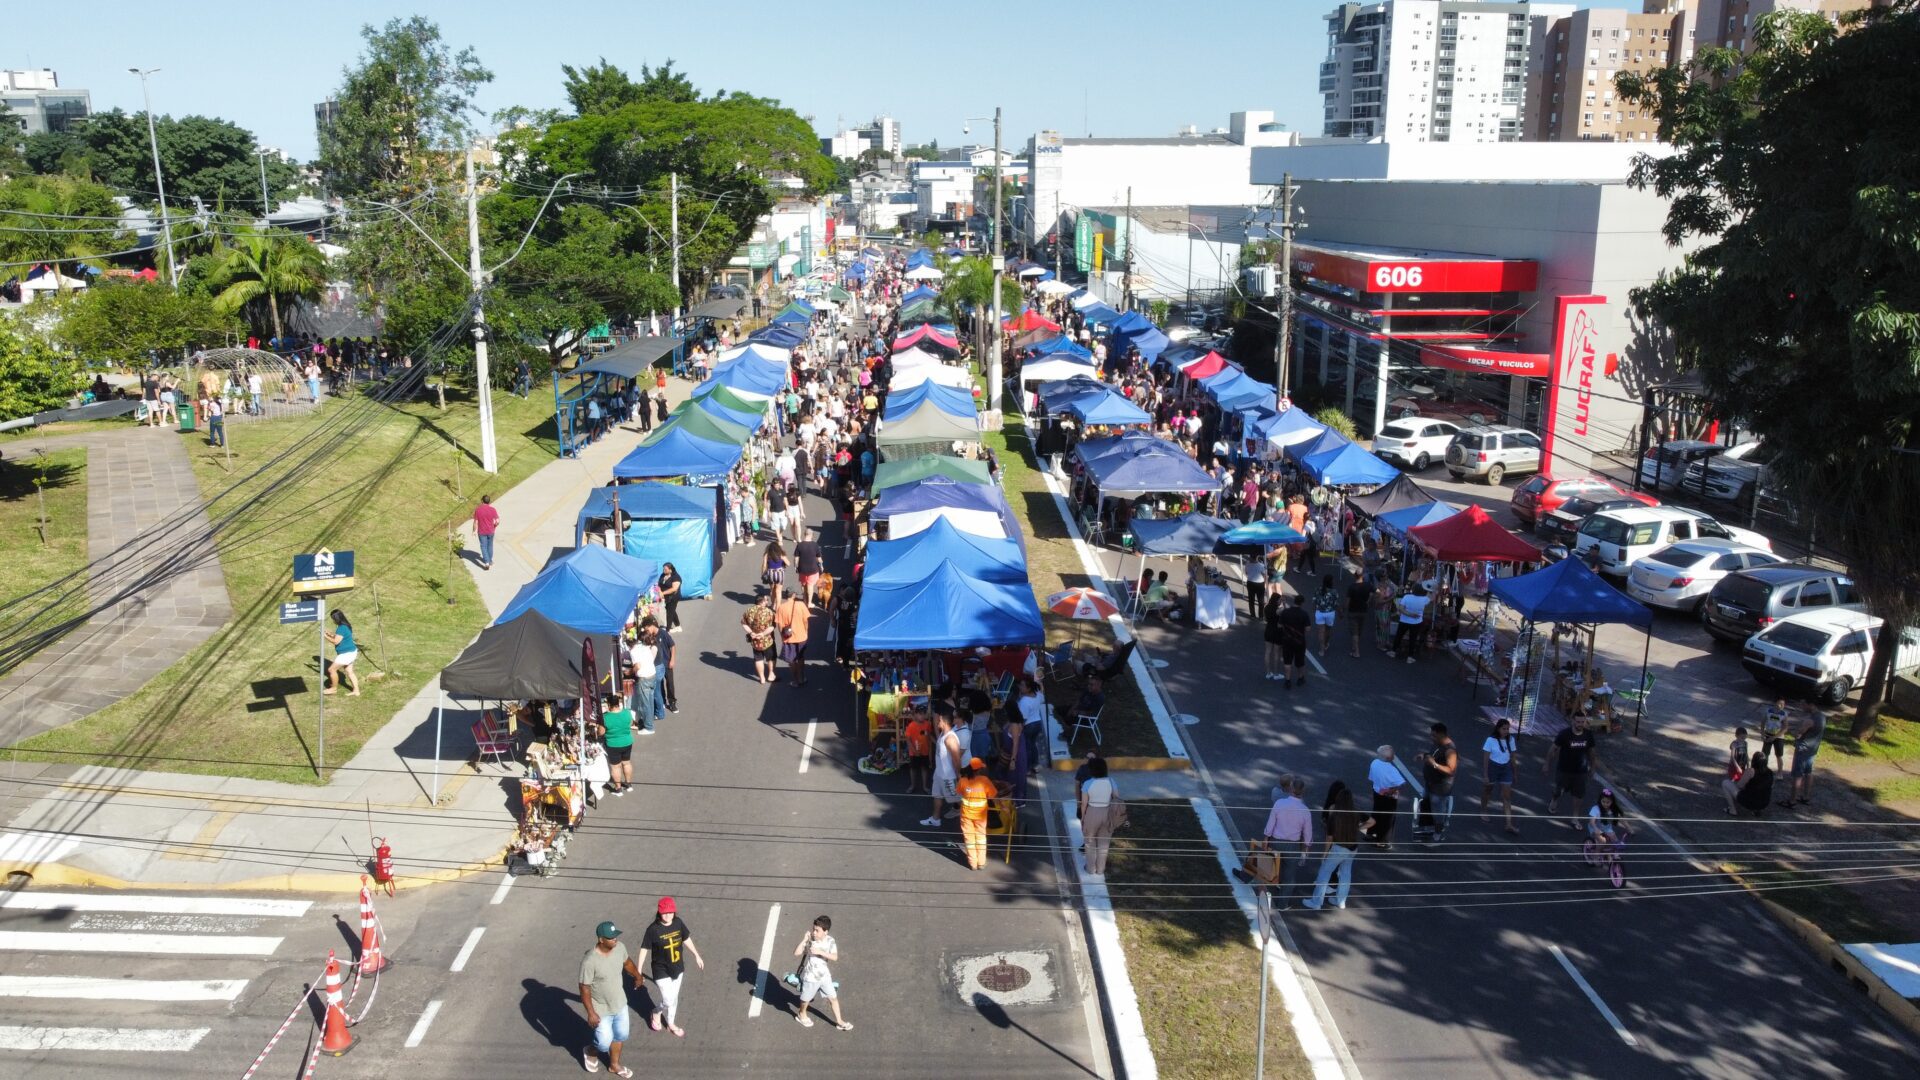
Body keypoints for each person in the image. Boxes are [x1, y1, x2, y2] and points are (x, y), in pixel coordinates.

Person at [579, 920, 639, 1077]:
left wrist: (637, 975)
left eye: (615, 936)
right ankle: (591, 1050)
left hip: (620, 1003)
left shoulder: (620, 948)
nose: (615, 939)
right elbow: (584, 987)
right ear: (601, 939)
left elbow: (627, 962)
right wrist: (591, 1013)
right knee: (604, 1043)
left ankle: (614, 1065)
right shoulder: (590, 961)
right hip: (601, 1008)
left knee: (621, 1035)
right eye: (611, 937)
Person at [637, 897, 703, 1037]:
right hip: (660, 969)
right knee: (668, 999)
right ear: (659, 912)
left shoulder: (678, 923)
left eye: (670, 912)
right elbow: (644, 948)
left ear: (674, 912)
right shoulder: (653, 929)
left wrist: (696, 955)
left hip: (677, 967)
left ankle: (671, 1023)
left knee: (674, 997)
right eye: (664, 913)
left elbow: (686, 939)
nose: (668, 915)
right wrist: (639, 969)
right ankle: (656, 1012)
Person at [1302, 783, 1367, 911]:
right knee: (1345, 874)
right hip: (1353, 848)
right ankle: (1340, 901)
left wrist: (1325, 853)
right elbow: (1372, 821)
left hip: (1338, 848)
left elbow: (1329, 838)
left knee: (1324, 873)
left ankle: (1316, 902)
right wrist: (1358, 828)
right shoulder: (1356, 812)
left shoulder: (1335, 815)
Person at [1260, 775, 1313, 906]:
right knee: (1289, 876)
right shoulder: (1305, 811)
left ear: (1291, 789)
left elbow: (1270, 823)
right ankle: (1282, 904)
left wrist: (1266, 839)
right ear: (1303, 791)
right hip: (1293, 845)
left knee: (1265, 869)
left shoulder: (1279, 803)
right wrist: (1305, 849)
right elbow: (1308, 834)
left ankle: (1262, 896)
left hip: (1276, 841)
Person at [791, 916, 851, 1030]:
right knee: (805, 999)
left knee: (833, 998)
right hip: (811, 977)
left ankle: (839, 1021)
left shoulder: (830, 941)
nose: (814, 932)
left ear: (825, 932)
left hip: (825, 976)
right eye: (814, 929)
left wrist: (820, 952)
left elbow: (835, 957)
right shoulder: (810, 941)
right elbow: (796, 953)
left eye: (817, 930)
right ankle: (801, 1014)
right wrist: (804, 940)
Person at [1544, 714, 1600, 825]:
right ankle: (1554, 798)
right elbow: (1553, 750)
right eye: (1578, 722)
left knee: (1578, 795)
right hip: (1564, 770)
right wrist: (1546, 764)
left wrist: (1592, 768)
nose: (1580, 724)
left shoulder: (1588, 735)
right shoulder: (1564, 734)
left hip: (1581, 772)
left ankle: (1575, 817)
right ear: (1572, 721)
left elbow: (1592, 753)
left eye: (1582, 722)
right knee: (1559, 791)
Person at [1415, 723, 1457, 844]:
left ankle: (1438, 833)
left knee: (1438, 811)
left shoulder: (1450, 750)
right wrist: (1424, 755)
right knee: (1426, 803)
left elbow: (1451, 770)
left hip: (1440, 787)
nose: (1431, 737)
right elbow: (1432, 756)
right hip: (1430, 782)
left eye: (1433, 735)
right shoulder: (1437, 743)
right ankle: (1428, 827)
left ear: (1441, 734)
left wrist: (1434, 764)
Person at [922, 711, 964, 827]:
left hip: (948, 777)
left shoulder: (950, 738)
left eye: (939, 720)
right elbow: (941, 747)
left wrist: (959, 775)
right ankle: (935, 819)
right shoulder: (942, 734)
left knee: (958, 800)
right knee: (937, 796)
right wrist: (930, 738)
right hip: (939, 774)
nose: (937, 722)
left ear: (944, 723)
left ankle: (972, 819)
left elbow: (956, 759)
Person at [955, 758, 998, 871]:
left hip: (966, 815)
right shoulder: (985, 780)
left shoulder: (963, 781)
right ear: (979, 770)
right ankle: (981, 862)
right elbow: (993, 795)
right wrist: (1003, 807)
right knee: (981, 837)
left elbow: (958, 792)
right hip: (981, 816)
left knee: (969, 839)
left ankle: (972, 863)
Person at [1079, 756, 1119, 875]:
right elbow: (1117, 798)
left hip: (1092, 812)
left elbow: (1084, 804)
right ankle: (1101, 869)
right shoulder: (1111, 781)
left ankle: (1090, 868)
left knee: (1090, 842)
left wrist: (1082, 818)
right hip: (1107, 812)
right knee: (1104, 843)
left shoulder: (1087, 783)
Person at [1480, 717, 1520, 835]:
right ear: (1498, 729)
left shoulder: (1510, 740)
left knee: (1507, 797)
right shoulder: (1490, 740)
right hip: (1493, 767)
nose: (1506, 731)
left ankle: (1509, 824)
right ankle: (1483, 810)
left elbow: (1513, 757)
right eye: (1504, 729)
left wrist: (1515, 772)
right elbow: (1486, 758)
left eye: (1508, 729)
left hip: (1506, 768)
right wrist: (1485, 774)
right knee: (1488, 790)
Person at [1783, 708, 1826, 808]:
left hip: (1803, 750)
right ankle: (1805, 797)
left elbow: (1798, 733)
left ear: (1809, 704)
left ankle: (1792, 801)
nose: (1802, 705)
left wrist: (1790, 730)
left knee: (1797, 775)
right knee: (1808, 772)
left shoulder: (1810, 720)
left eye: (1803, 704)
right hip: (1812, 750)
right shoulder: (1822, 717)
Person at [1366, 746, 1402, 848]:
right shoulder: (1392, 769)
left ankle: (1371, 833)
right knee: (1388, 818)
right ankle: (1383, 840)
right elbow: (1400, 783)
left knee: (1376, 812)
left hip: (1377, 791)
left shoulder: (1374, 763)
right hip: (1388, 795)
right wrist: (1392, 791)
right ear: (1389, 758)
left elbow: (1371, 778)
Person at [774, 591, 811, 687]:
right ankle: (802, 678)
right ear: (794, 595)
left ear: (785, 596)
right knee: (801, 657)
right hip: (802, 636)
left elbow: (780, 625)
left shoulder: (781, 607)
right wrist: (806, 632)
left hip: (789, 638)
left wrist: (782, 637)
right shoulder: (801, 604)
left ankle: (795, 681)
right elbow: (806, 621)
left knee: (792, 660)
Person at [1275, 593, 1311, 689]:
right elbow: (1308, 629)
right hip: (1299, 641)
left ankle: (1287, 681)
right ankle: (1300, 678)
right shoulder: (1304, 614)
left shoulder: (1285, 612)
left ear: (1294, 601)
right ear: (1302, 603)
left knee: (1287, 661)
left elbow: (1279, 625)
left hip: (1287, 641)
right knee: (1300, 661)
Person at [322, 609, 360, 697]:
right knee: (350, 672)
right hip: (352, 652)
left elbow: (336, 641)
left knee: (331, 670)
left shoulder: (341, 628)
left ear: (336, 618)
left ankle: (333, 689)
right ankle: (356, 691)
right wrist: (330, 634)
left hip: (346, 654)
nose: (333, 620)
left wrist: (324, 636)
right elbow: (341, 637)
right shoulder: (346, 626)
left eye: (333, 618)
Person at [602, 693, 634, 796]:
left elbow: (601, 732)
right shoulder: (626, 713)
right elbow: (630, 724)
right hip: (627, 742)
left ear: (609, 705)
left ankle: (618, 789)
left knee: (615, 767)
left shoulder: (606, 717)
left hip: (613, 745)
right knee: (626, 763)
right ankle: (629, 785)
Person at [742, 591, 776, 685]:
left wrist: (751, 632)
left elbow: (744, 623)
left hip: (755, 641)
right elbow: (772, 626)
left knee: (758, 659)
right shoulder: (768, 612)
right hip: (767, 640)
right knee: (770, 658)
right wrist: (763, 634)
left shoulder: (749, 610)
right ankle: (771, 674)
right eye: (766, 600)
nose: (767, 602)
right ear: (762, 602)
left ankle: (762, 678)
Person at [1390, 584, 1430, 663]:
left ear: (1413, 589)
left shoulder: (1407, 597)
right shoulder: (1425, 599)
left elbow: (1401, 609)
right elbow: (1432, 595)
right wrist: (1429, 587)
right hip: (1416, 622)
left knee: (1399, 636)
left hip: (1404, 620)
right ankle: (1410, 657)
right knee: (1413, 639)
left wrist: (1409, 614)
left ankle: (1393, 652)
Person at [1734, 751, 1775, 816]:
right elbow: (1771, 786)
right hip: (1765, 803)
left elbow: (1739, 786)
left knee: (1726, 783)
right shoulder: (1770, 772)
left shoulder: (1751, 771)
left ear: (1754, 760)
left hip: (1751, 802)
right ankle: (1757, 810)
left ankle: (1732, 810)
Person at [903, 707, 932, 795]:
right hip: (914, 753)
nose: (922, 716)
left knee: (924, 768)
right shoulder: (911, 726)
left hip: (925, 751)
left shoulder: (928, 724)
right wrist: (914, 750)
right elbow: (908, 740)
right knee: (913, 769)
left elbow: (929, 736)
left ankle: (924, 786)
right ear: (915, 715)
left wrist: (930, 750)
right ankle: (912, 785)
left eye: (924, 714)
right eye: (920, 714)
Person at [1312, 573, 1339, 656]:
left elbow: (1314, 601)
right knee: (1328, 630)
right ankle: (1326, 643)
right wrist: (1341, 612)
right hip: (1330, 613)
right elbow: (1336, 604)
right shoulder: (1334, 592)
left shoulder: (1318, 589)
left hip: (1319, 613)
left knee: (1321, 631)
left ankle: (1321, 650)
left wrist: (1315, 610)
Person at [1345, 570, 1371, 659]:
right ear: (1362, 576)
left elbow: (1347, 601)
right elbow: (1377, 592)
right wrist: (1368, 601)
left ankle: (1356, 651)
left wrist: (1343, 610)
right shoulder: (1368, 585)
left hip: (1353, 611)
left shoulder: (1351, 587)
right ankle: (1354, 646)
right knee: (1359, 630)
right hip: (1363, 611)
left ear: (1354, 576)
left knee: (1354, 632)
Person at [1760, 699, 1791, 772]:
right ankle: (1763, 770)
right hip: (1768, 734)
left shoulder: (1784, 714)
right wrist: (1762, 733)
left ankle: (1780, 773)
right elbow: (1763, 722)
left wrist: (1775, 737)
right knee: (1765, 753)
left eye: (1783, 704)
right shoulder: (1768, 711)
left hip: (1779, 737)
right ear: (1775, 703)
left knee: (1779, 755)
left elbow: (1785, 728)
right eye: (1779, 704)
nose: (1781, 706)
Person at [793, 537, 824, 608]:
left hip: (802, 569)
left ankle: (805, 600)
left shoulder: (799, 545)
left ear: (804, 535)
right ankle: (809, 603)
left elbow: (796, 558)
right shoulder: (815, 545)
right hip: (813, 570)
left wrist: (796, 566)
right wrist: (821, 565)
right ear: (812, 536)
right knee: (810, 585)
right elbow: (819, 558)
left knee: (803, 585)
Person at [472, 494, 499, 571]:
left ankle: (486, 562)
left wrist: (474, 531)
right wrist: (494, 526)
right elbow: (497, 521)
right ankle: (490, 561)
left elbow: (475, 522)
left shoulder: (478, 510)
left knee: (483, 546)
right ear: (489, 501)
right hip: (491, 531)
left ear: (482, 501)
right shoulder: (493, 510)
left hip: (482, 532)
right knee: (490, 546)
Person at [761, 541, 788, 607]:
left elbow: (764, 565)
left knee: (772, 590)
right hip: (780, 573)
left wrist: (763, 574)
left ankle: (773, 604)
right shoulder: (781, 554)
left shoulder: (767, 555)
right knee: (778, 591)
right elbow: (788, 563)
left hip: (771, 573)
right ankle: (778, 608)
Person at [657, 563, 683, 630]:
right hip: (665, 597)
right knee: (672, 610)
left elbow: (674, 589)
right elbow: (659, 584)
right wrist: (660, 592)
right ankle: (678, 625)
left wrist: (663, 593)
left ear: (670, 570)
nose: (664, 570)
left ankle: (667, 629)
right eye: (663, 569)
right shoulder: (663, 575)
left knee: (669, 613)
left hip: (673, 597)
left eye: (665, 569)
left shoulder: (676, 577)